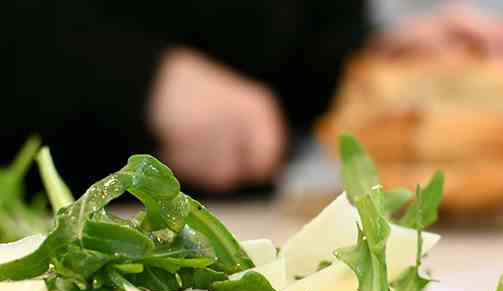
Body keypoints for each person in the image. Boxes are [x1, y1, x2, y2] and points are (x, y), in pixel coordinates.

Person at [4, 1, 369, 194]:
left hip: (249, 224)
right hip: (38, 225)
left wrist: (371, 53)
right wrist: (134, 75)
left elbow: (316, 39)